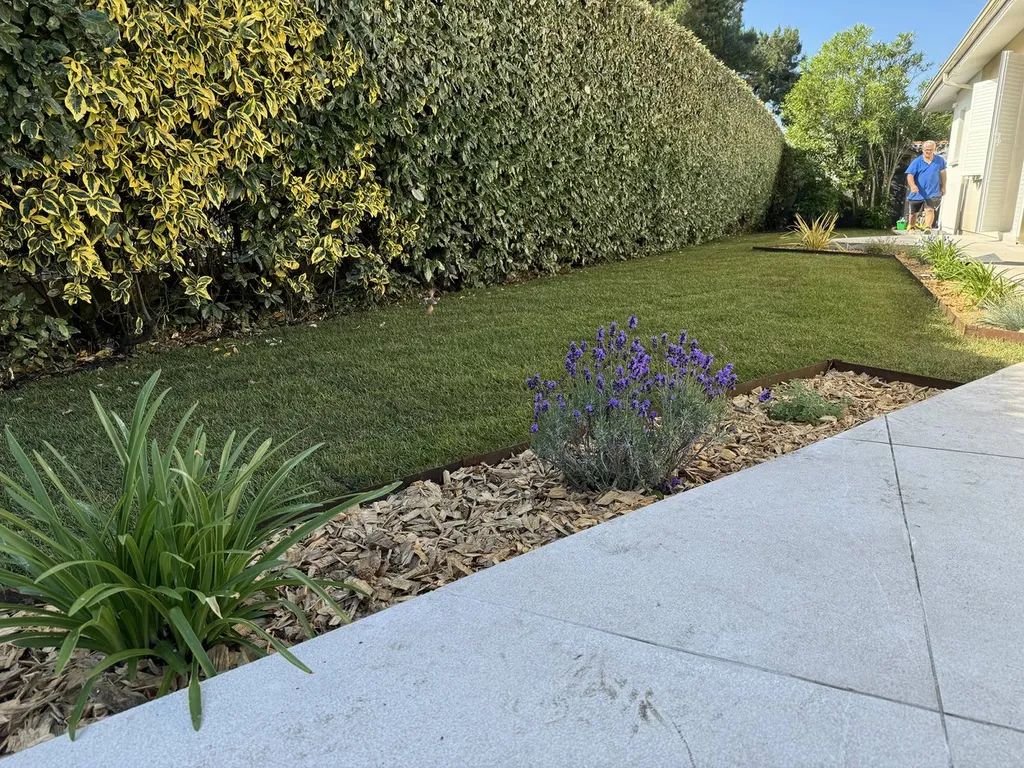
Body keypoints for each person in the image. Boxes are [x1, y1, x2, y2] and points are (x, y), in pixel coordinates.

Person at [906, 141, 947, 230]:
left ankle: (928, 227)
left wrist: (943, 186)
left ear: (934, 149)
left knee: (930, 210)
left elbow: (943, 174)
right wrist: (913, 186)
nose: (928, 152)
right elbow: (910, 175)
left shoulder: (940, 160)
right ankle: (912, 226)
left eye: (930, 150)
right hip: (917, 193)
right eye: (926, 150)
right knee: (913, 213)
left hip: (932, 191)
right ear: (923, 150)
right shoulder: (917, 161)